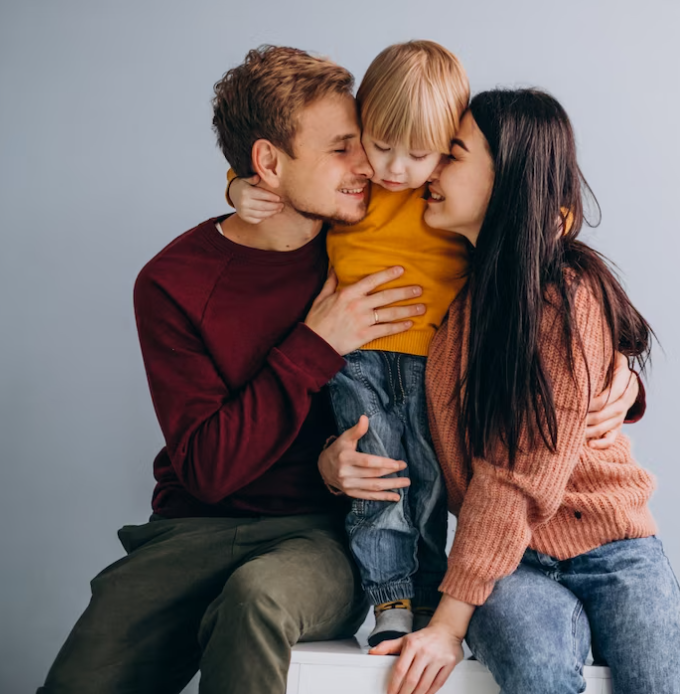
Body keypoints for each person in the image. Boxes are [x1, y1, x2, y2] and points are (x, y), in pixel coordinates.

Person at [38, 46, 639, 693]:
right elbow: (209, 469)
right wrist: (314, 343)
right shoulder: (182, 280)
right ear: (269, 165)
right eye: (344, 149)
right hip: (191, 524)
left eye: (366, 143)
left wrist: (619, 378)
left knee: (263, 595)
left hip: (319, 535)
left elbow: (535, 279)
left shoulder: (402, 223)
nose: (372, 170)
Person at [373, 89, 680, 694]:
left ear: (508, 176)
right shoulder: (452, 298)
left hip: (614, 546)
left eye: (454, 155)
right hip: (508, 560)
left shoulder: (567, 292)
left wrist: (448, 623)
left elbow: (516, 472)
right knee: (537, 673)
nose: (429, 172)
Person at [230, 40, 470, 646]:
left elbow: (525, 210)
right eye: (376, 143)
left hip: (436, 362)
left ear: (444, 148)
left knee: (429, 482)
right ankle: (389, 601)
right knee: (378, 477)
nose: (391, 168)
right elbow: (286, 176)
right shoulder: (352, 190)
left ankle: (426, 603)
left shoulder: (444, 189)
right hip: (355, 356)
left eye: (415, 154)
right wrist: (237, 185)